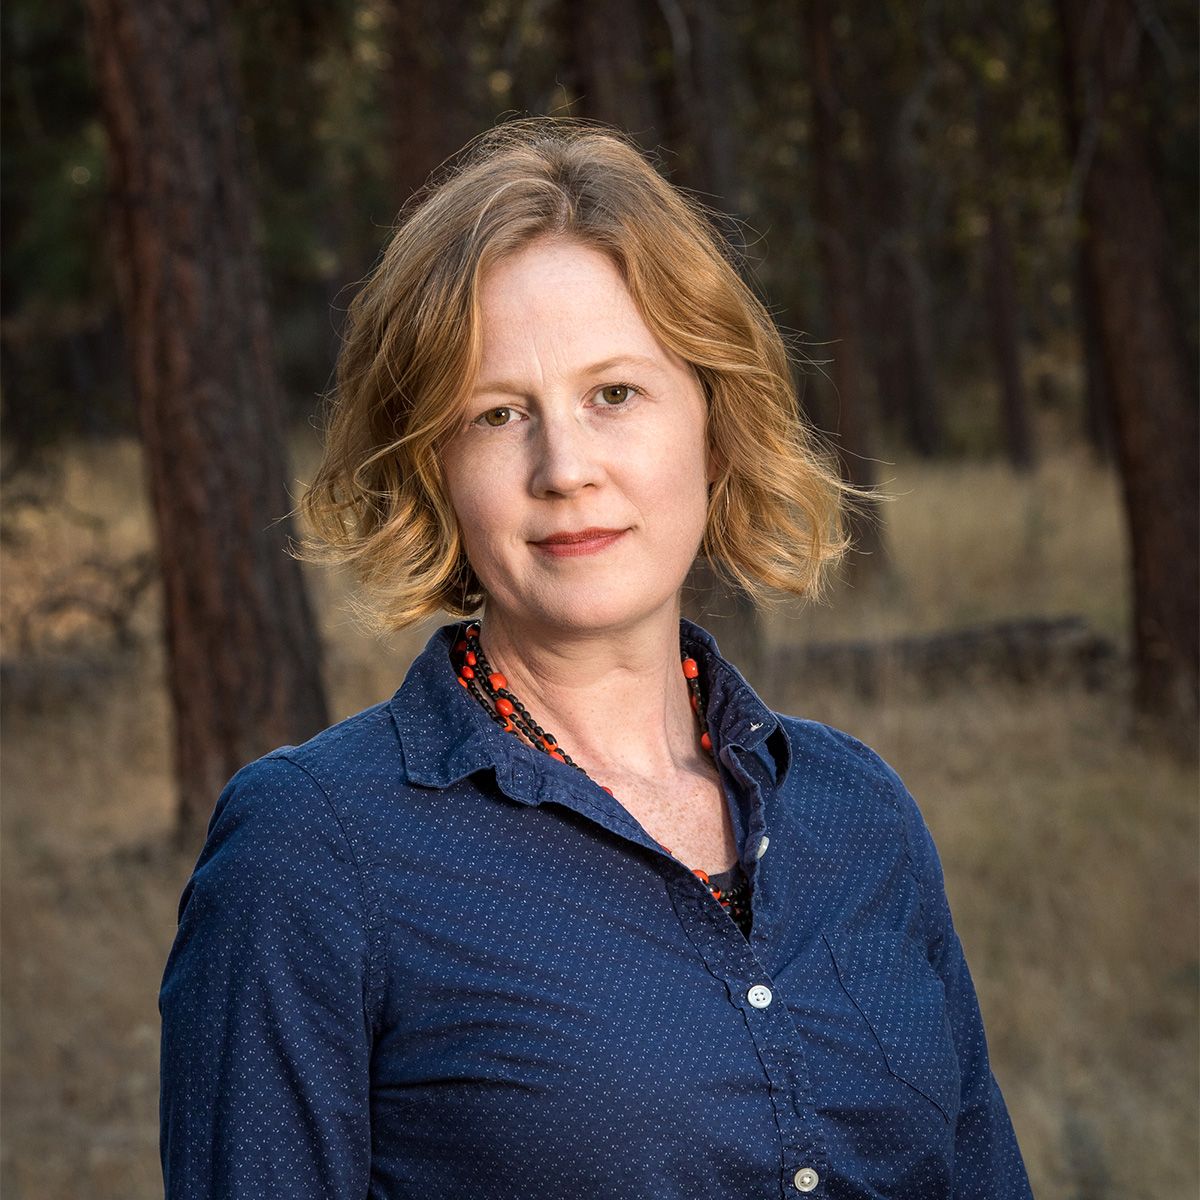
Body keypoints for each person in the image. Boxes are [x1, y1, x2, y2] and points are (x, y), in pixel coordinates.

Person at [158, 117, 1033, 1199]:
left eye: (614, 394)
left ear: (714, 424)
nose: (564, 468)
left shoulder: (860, 814)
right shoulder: (314, 852)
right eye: (496, 414)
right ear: (432, 468)